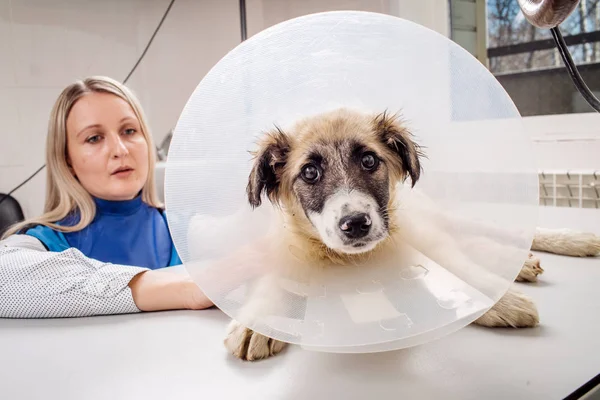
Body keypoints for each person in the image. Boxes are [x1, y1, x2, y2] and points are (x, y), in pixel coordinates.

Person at [0, 76, 213, 318]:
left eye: (129, 131)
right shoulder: (46, 240)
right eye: (94, 138)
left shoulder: (181, 228)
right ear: (67, 160)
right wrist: (182, 291)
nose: (120, 150)